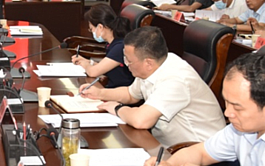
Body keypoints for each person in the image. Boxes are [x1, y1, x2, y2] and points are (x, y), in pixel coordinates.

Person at [80, 26, 226, 147]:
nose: (125, 63)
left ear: (148, 63)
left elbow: (141, 120)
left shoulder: (176, 79)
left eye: (128, 60)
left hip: (198, 153)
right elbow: (131, 94)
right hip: (163, 146)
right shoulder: (155, 65)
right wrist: (100, 93)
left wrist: (117, 108)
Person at [71, 4, 134, 88]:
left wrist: (85, 64)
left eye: (91, 29)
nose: (91, 32)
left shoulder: (119, 47)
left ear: (100, 27)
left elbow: (93, 72)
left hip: (120, 92)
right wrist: (88, 62)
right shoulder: (111, 43)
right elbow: (107, 66)